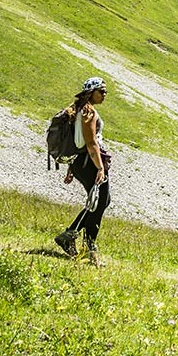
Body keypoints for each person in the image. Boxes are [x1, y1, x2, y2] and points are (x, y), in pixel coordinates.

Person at [54, 78, 112, 265]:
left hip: (81, 162)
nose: (104, 94)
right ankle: (85, 245)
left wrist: (72, 167)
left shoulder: (78, 109)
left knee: (100, 202)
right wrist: (100, 168)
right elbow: (90, 142)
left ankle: (75, 237)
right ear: (91, 92)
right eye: (101, 91)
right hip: (89, 162)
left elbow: (75, 140)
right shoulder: (89, 112)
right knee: (99, 202)